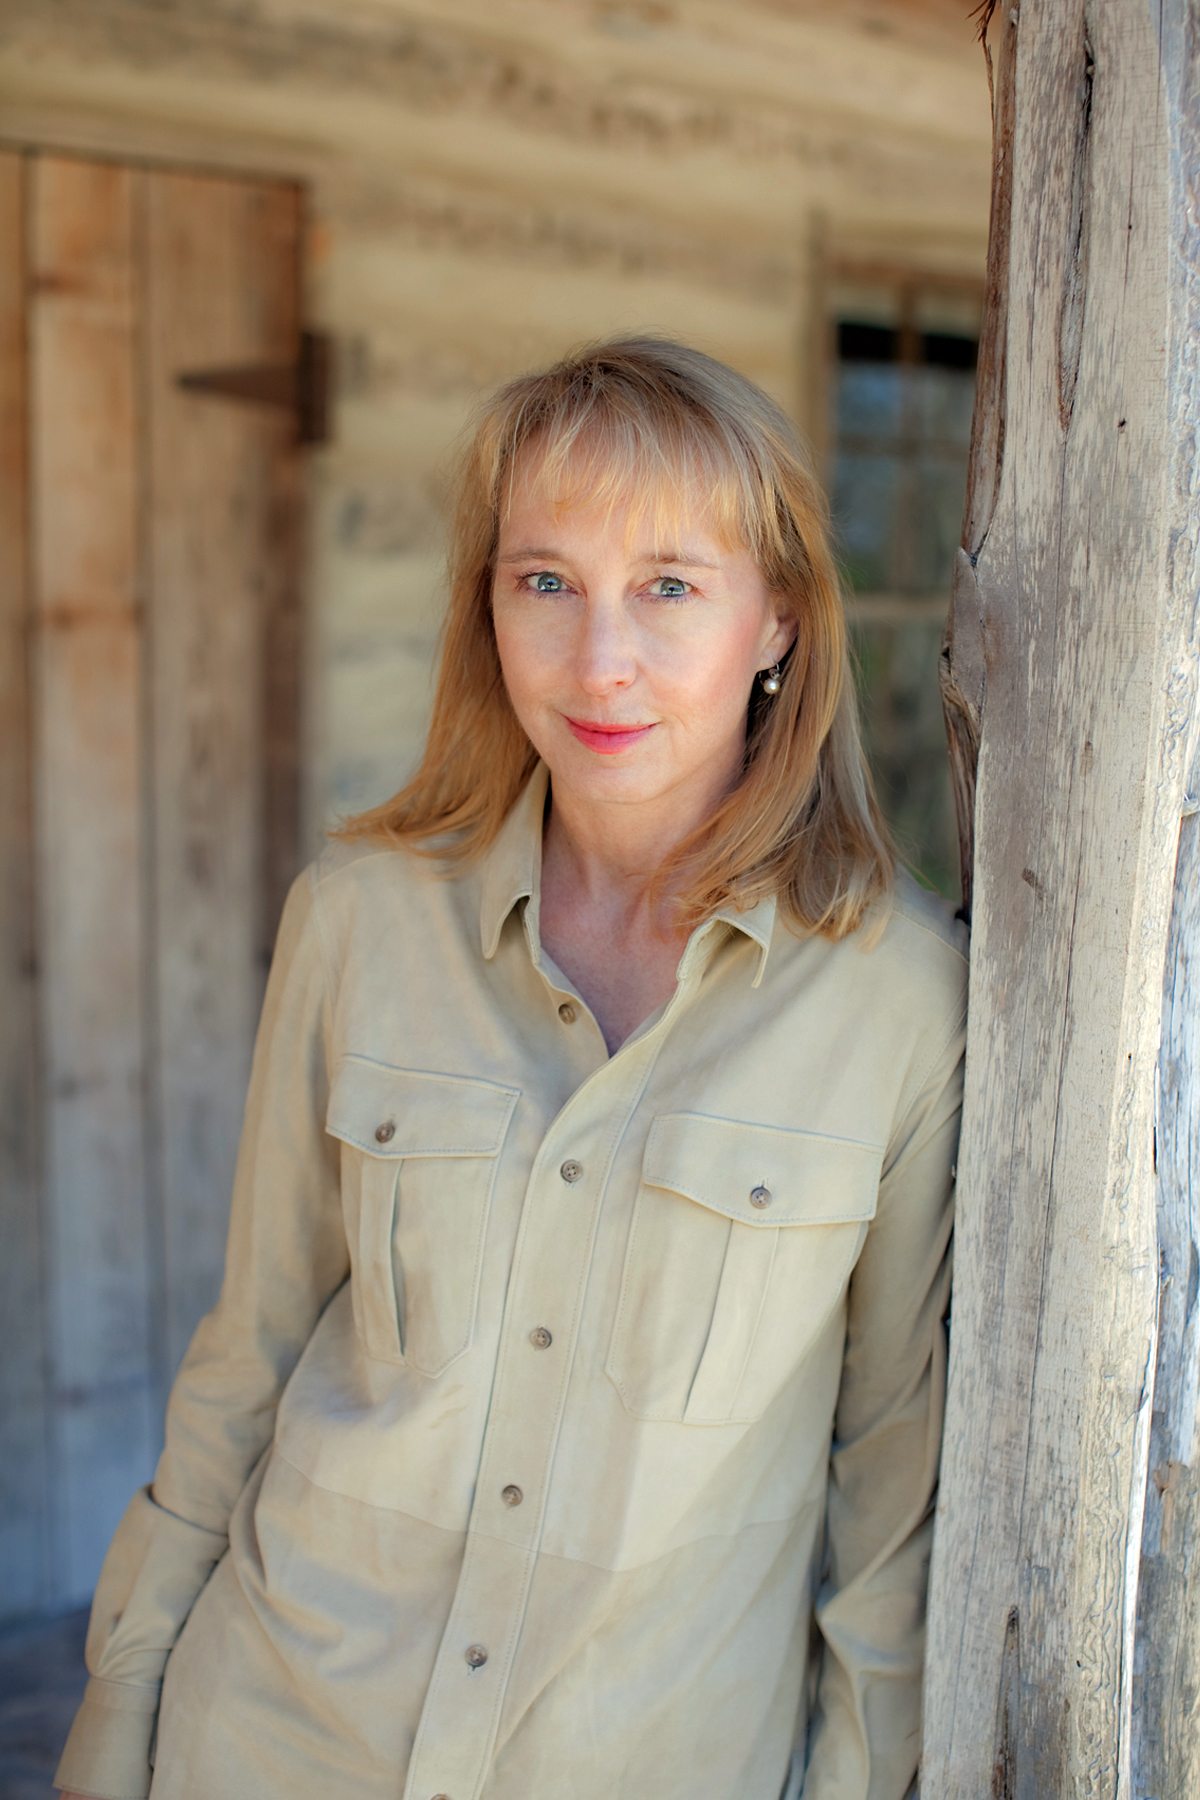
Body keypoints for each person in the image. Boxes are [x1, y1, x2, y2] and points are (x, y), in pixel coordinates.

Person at [57, 336, 966, 1800]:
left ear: (779, 621)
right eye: (545, 581)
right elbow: (251, 1354)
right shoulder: (357, 919)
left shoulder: (906, 1004)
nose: (599, 659)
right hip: (279, 1738)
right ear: (486, 608)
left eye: (669, 586)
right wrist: (124, 1705)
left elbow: (889, 1491)